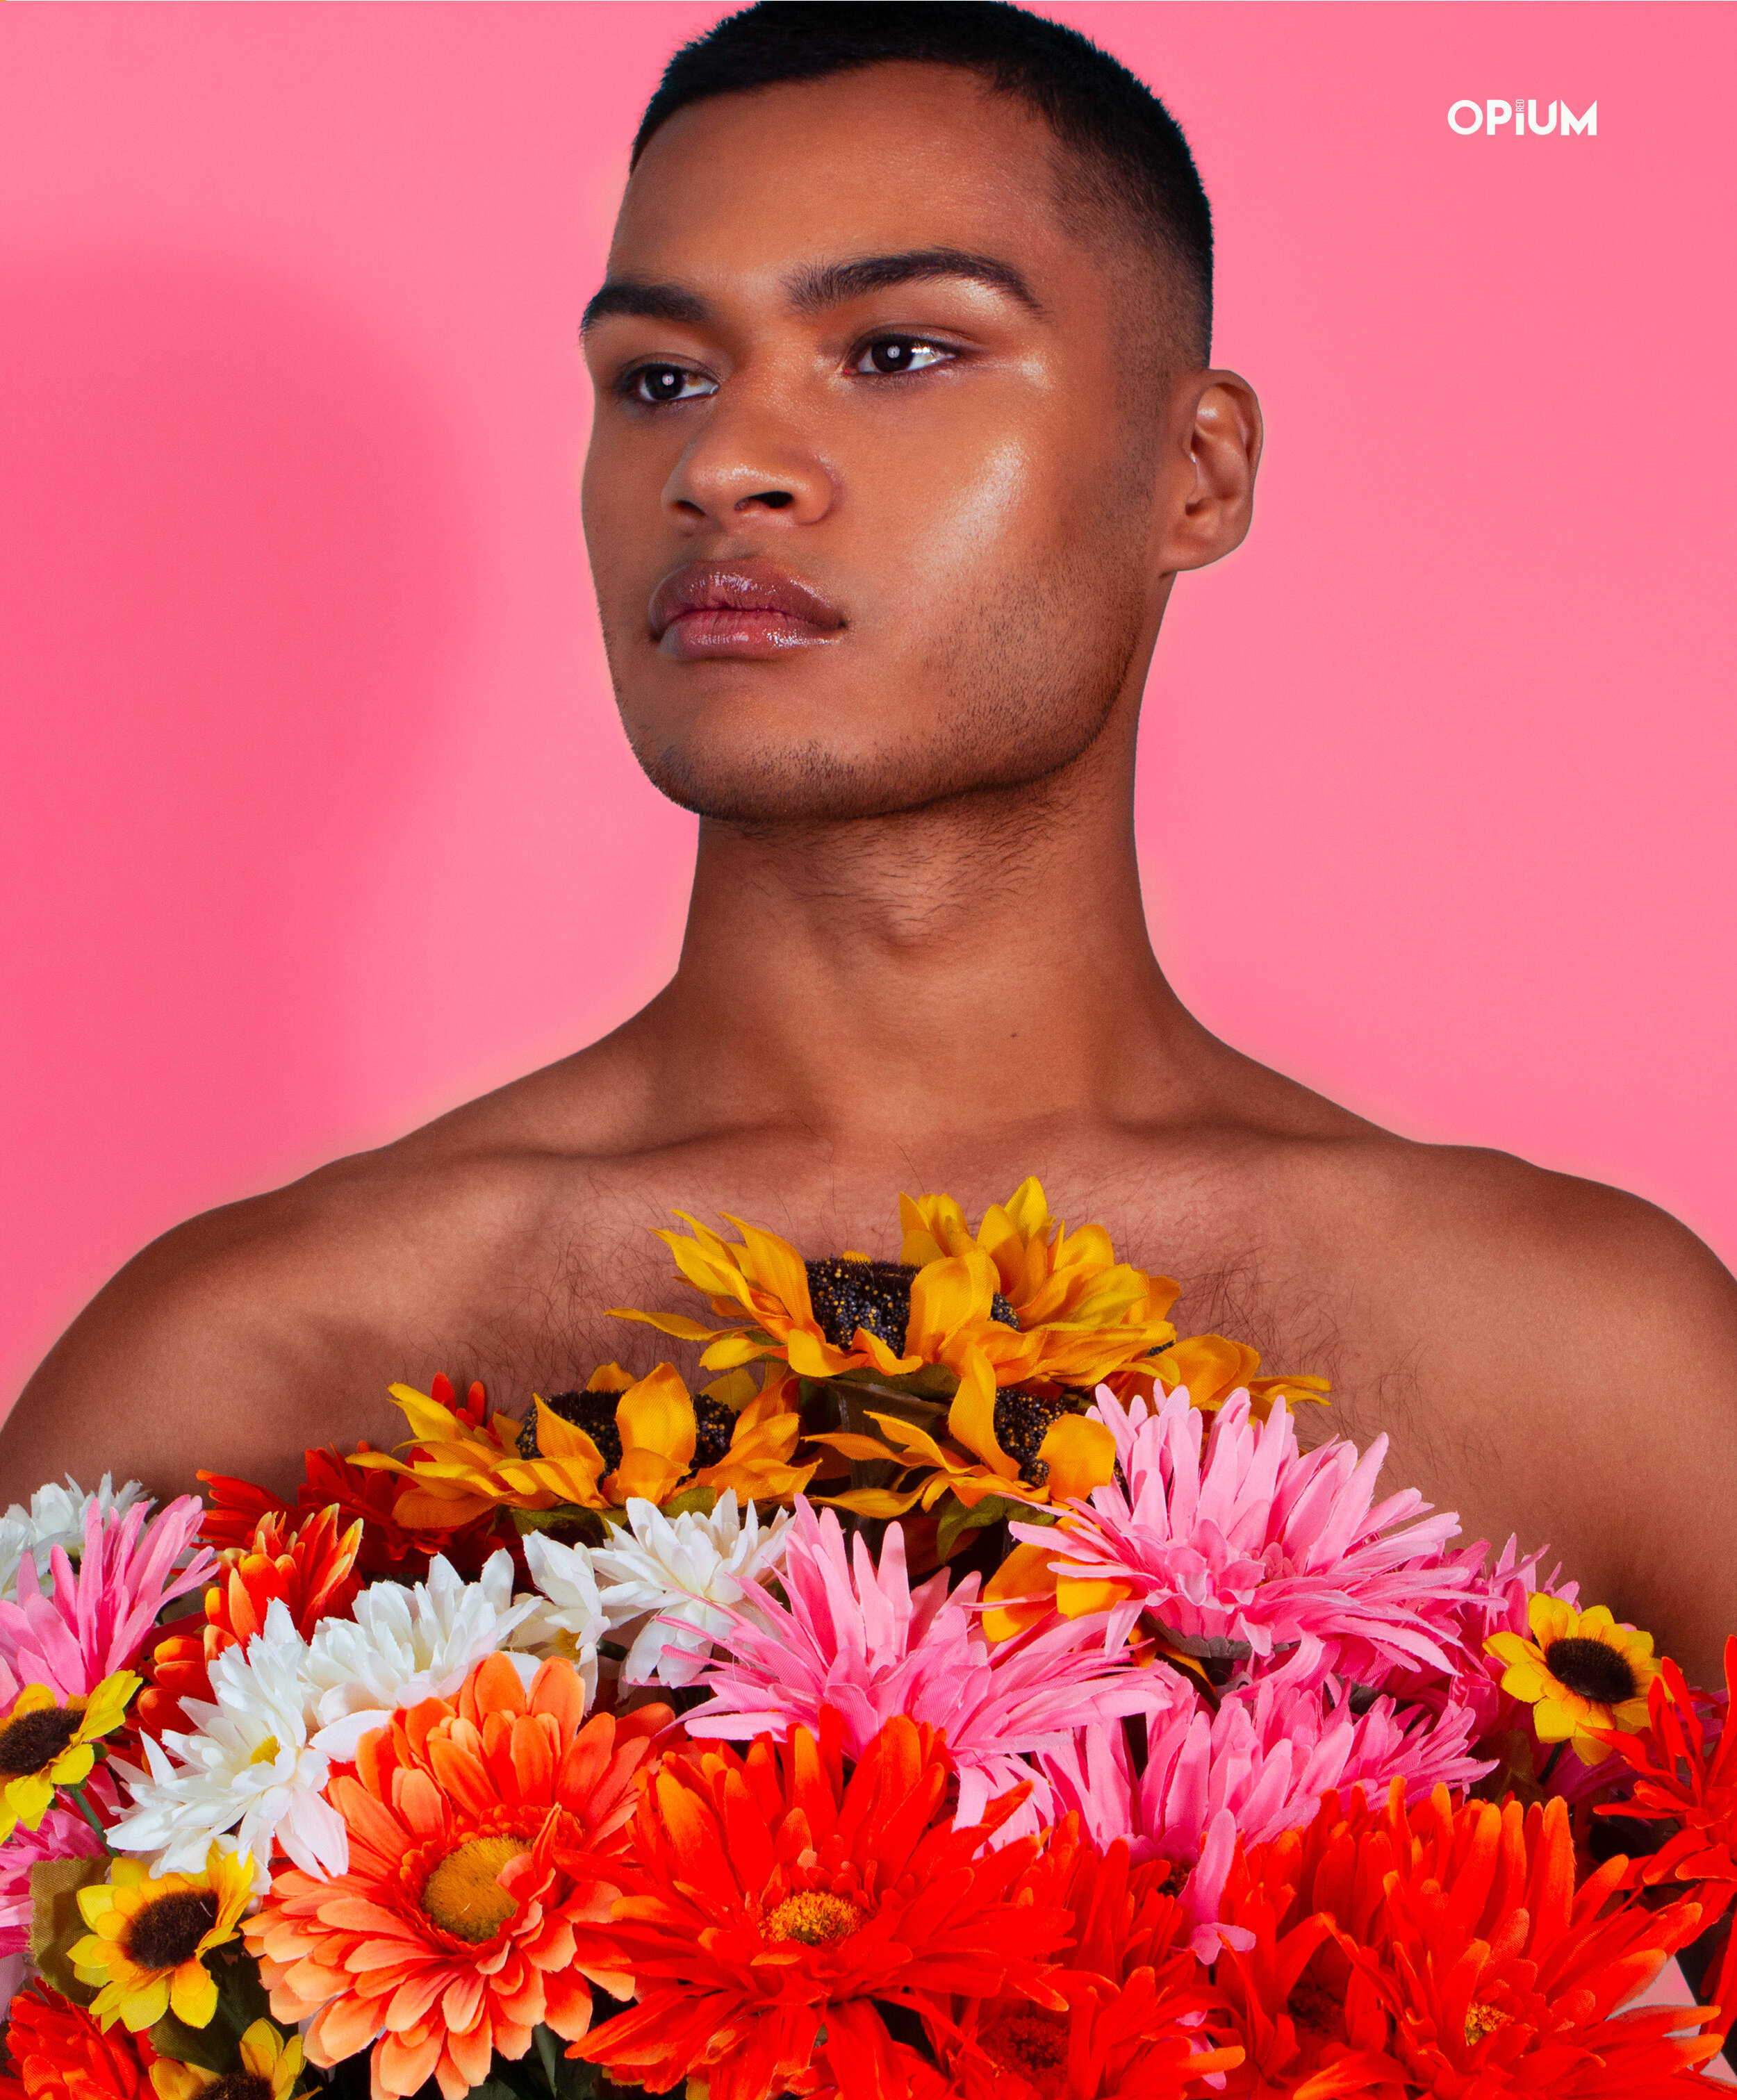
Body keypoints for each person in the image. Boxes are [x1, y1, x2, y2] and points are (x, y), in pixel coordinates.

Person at [3, 1, 1733, 1680]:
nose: (723, 462)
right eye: (660, 377)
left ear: (1194, 471)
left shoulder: (1586, 1369)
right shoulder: (239, 1373)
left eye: (897, 352)